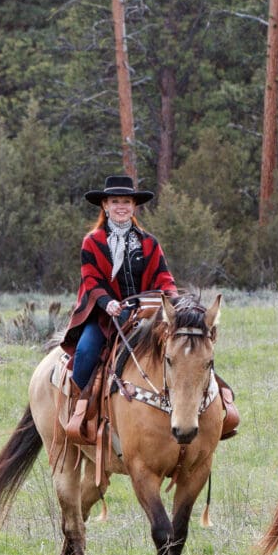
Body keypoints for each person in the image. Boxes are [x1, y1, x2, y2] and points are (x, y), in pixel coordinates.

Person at [59, 175, 179, 440]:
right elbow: (91, 279)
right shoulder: (92, 241)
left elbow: (163, 277)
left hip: (143, 314)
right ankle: (78, 408)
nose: (121, 206)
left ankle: (204, 403)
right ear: (105, 205)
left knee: (184, 347)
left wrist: (174, 299)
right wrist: (107, 302)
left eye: (127, 201)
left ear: (134, 206)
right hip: (105, 315)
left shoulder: (149, 242)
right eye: (115, 201)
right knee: (87, 349)